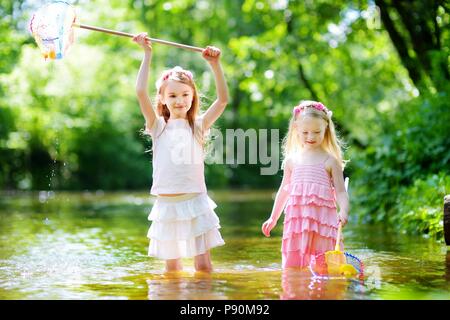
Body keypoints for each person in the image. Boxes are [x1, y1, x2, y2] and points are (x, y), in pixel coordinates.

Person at [133, 32, 229, 272]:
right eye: (173, 95)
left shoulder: (197, 126)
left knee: (203, 266)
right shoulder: (157, 127)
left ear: (193, 96)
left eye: (185, 95)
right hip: (167, 204)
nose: (179, 100)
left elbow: (223, 100)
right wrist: (147, 53)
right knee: (172, 270)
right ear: (163, 99)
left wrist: (215, 65)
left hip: (195, 200)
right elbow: (140, 92)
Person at [261, 100, 349, 269]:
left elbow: (341, 192)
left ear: (326, 130)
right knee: (295, 269)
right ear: (296, 129)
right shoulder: (291, 161)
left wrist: (344, 211)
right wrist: (273, 217)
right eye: (305, 132)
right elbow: (283, 191)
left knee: (325, 267)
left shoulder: (330, 161)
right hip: (298, 223)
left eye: (317, 132)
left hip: (322, 223)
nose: (311, 137)